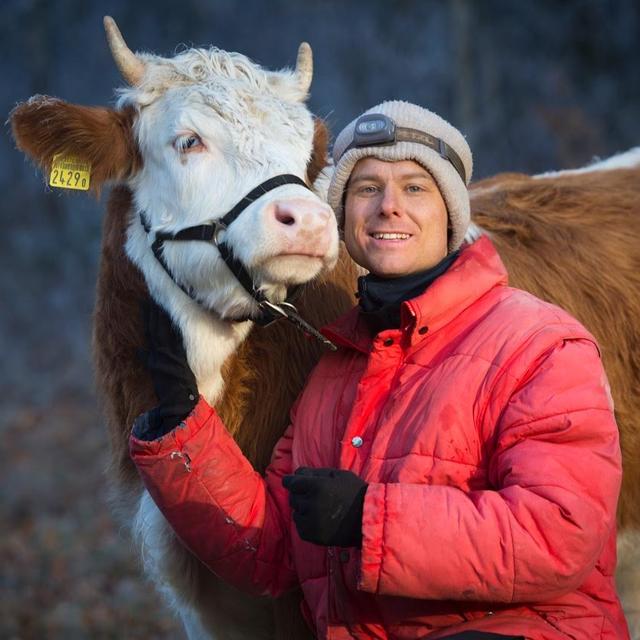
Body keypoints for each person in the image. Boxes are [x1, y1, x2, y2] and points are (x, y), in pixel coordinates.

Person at [130, 101, 630, 639]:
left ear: (452, 214)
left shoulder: (540, 343)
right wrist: (183, 426)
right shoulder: (333, 373)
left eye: (416, 187)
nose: (389, 206)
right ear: (343, 218)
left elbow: (560, 535)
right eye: (366, 188)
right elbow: (270, 552)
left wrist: (367, 519)